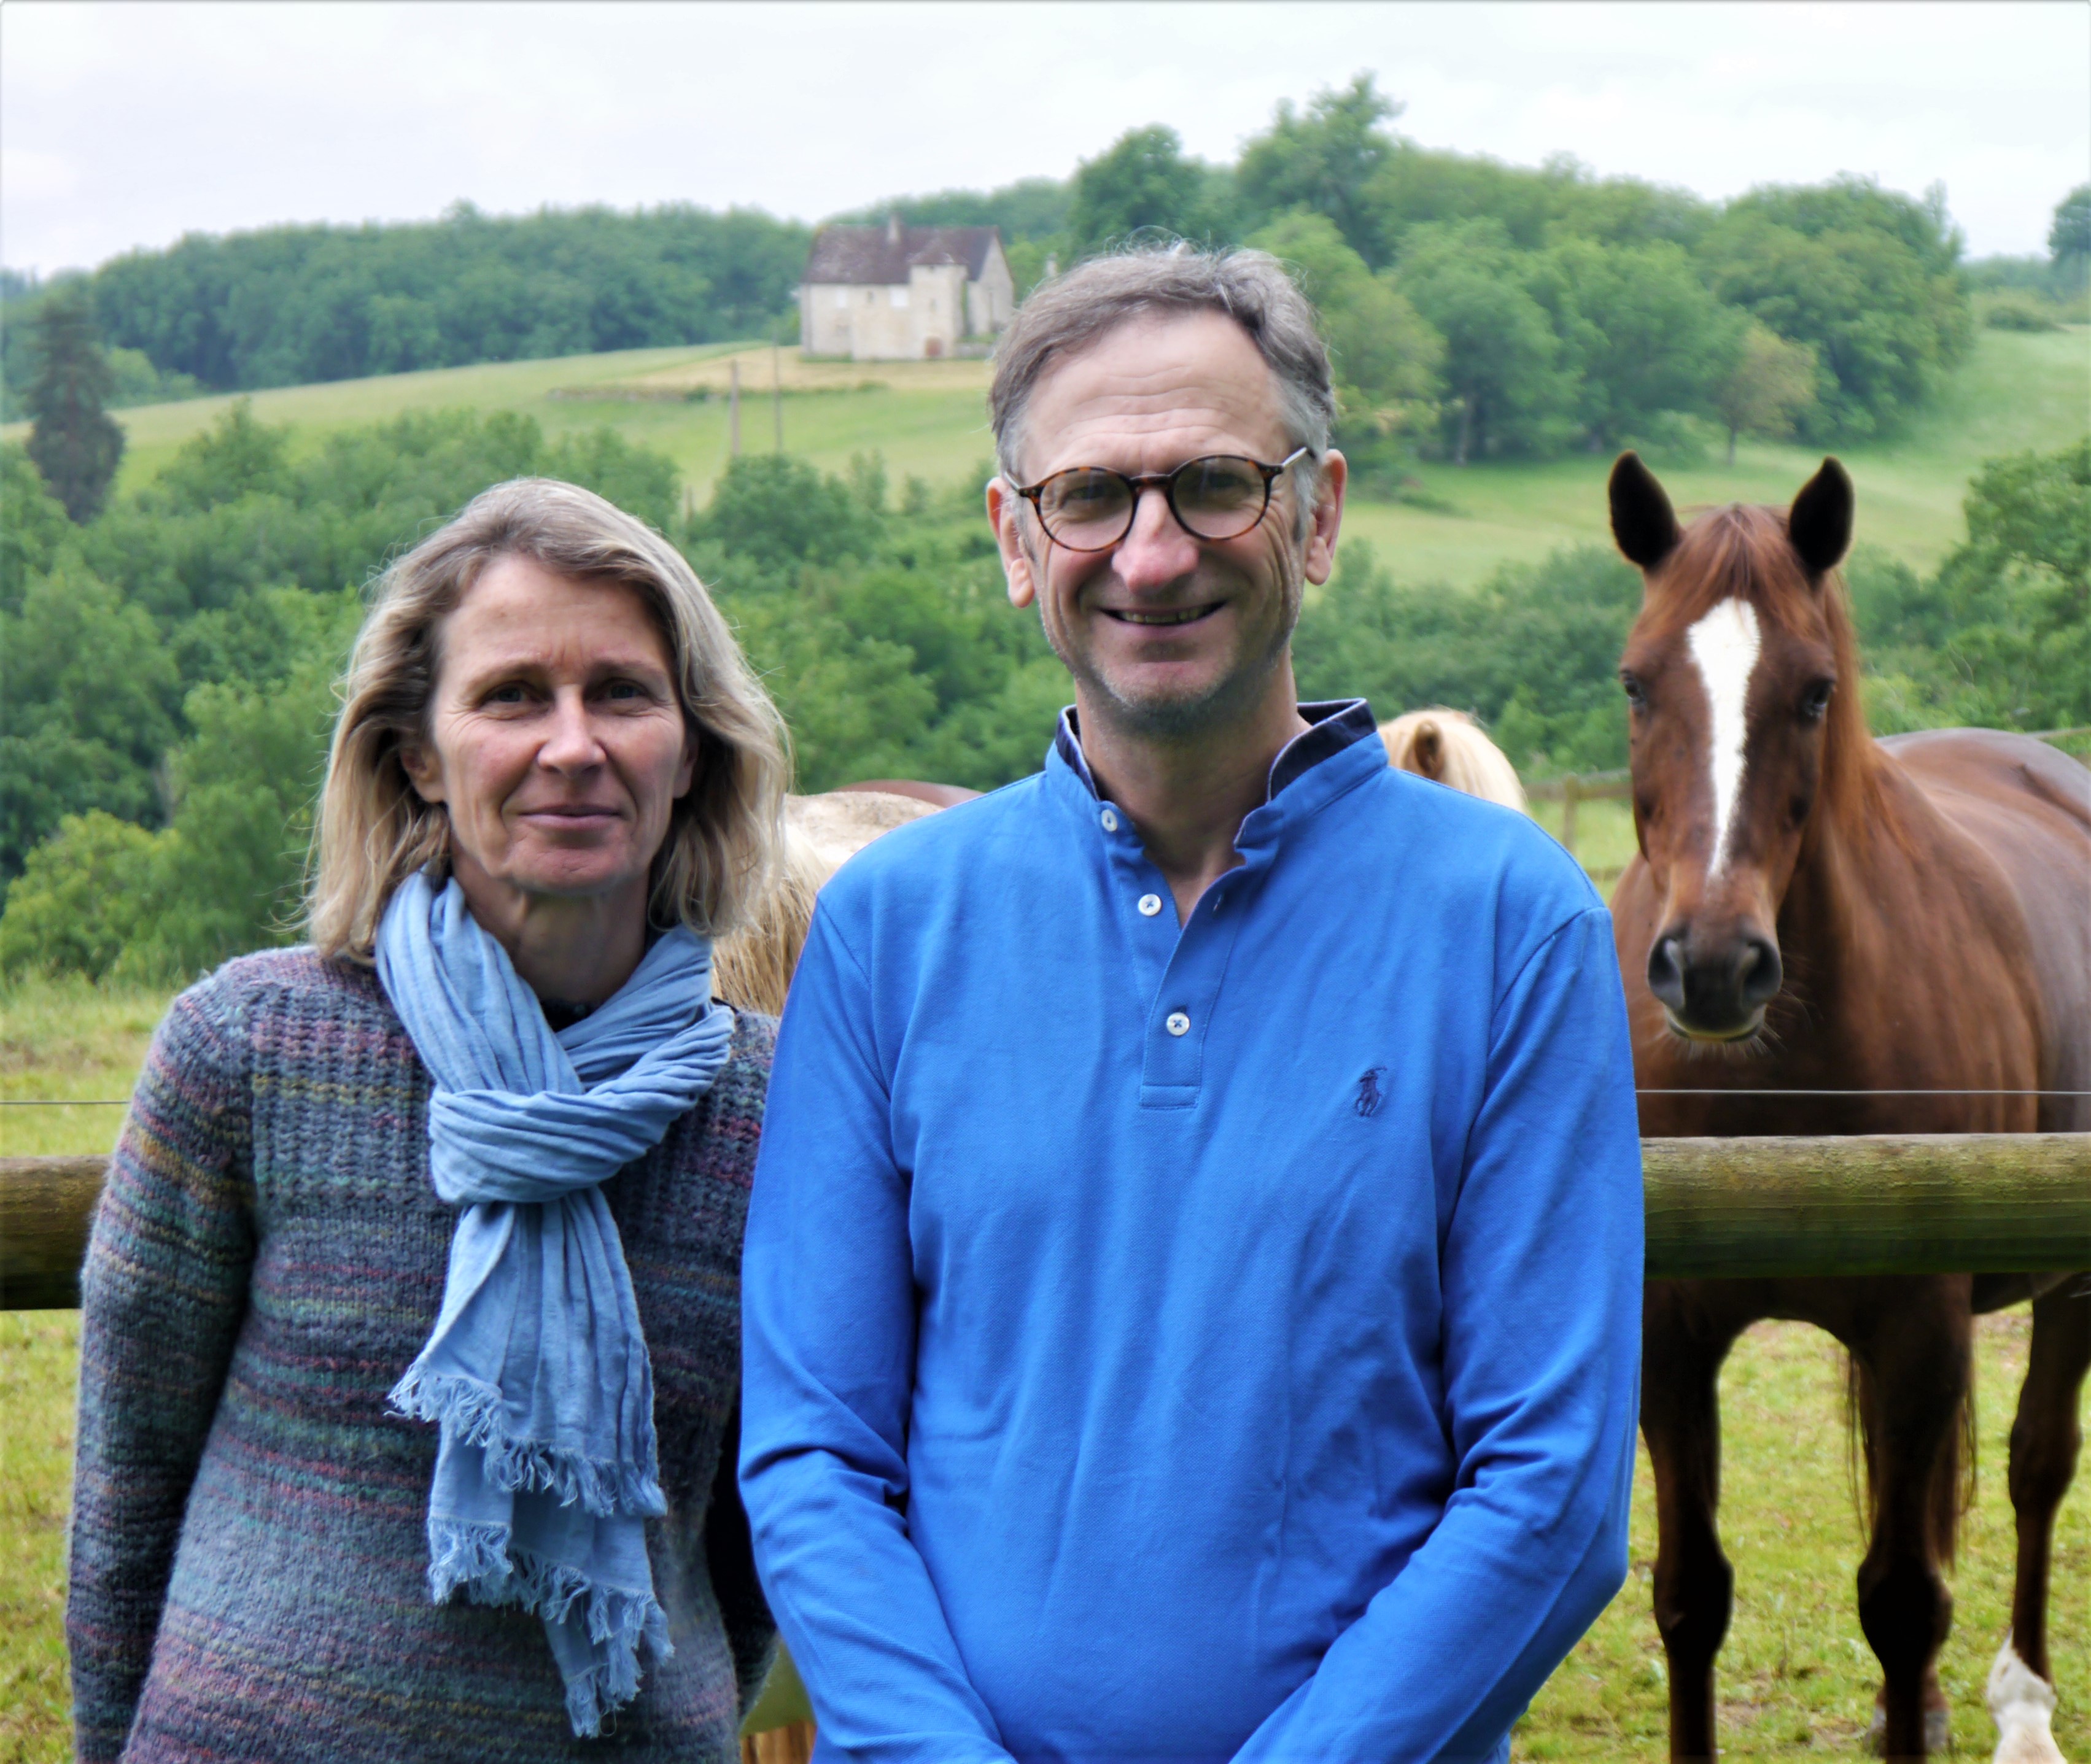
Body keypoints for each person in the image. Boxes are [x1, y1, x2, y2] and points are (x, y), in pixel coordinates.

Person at [739, 247, 1645, 1763]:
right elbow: (813, 1455)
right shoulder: (888, 929)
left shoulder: (1511, 924)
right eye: (1089, 496)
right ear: (1015, 540)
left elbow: (1549, 1490)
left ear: (1319, 513)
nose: (1151, 554)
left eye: (1216, 485)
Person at [68, 479, 788, 1762]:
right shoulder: (247, 1050)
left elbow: (763, 1531)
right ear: (415, 752)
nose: (572, 745)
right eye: (511, 696)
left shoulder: (777, 1112)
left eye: (622, 693)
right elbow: (127, 1489)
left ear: (692, 750)